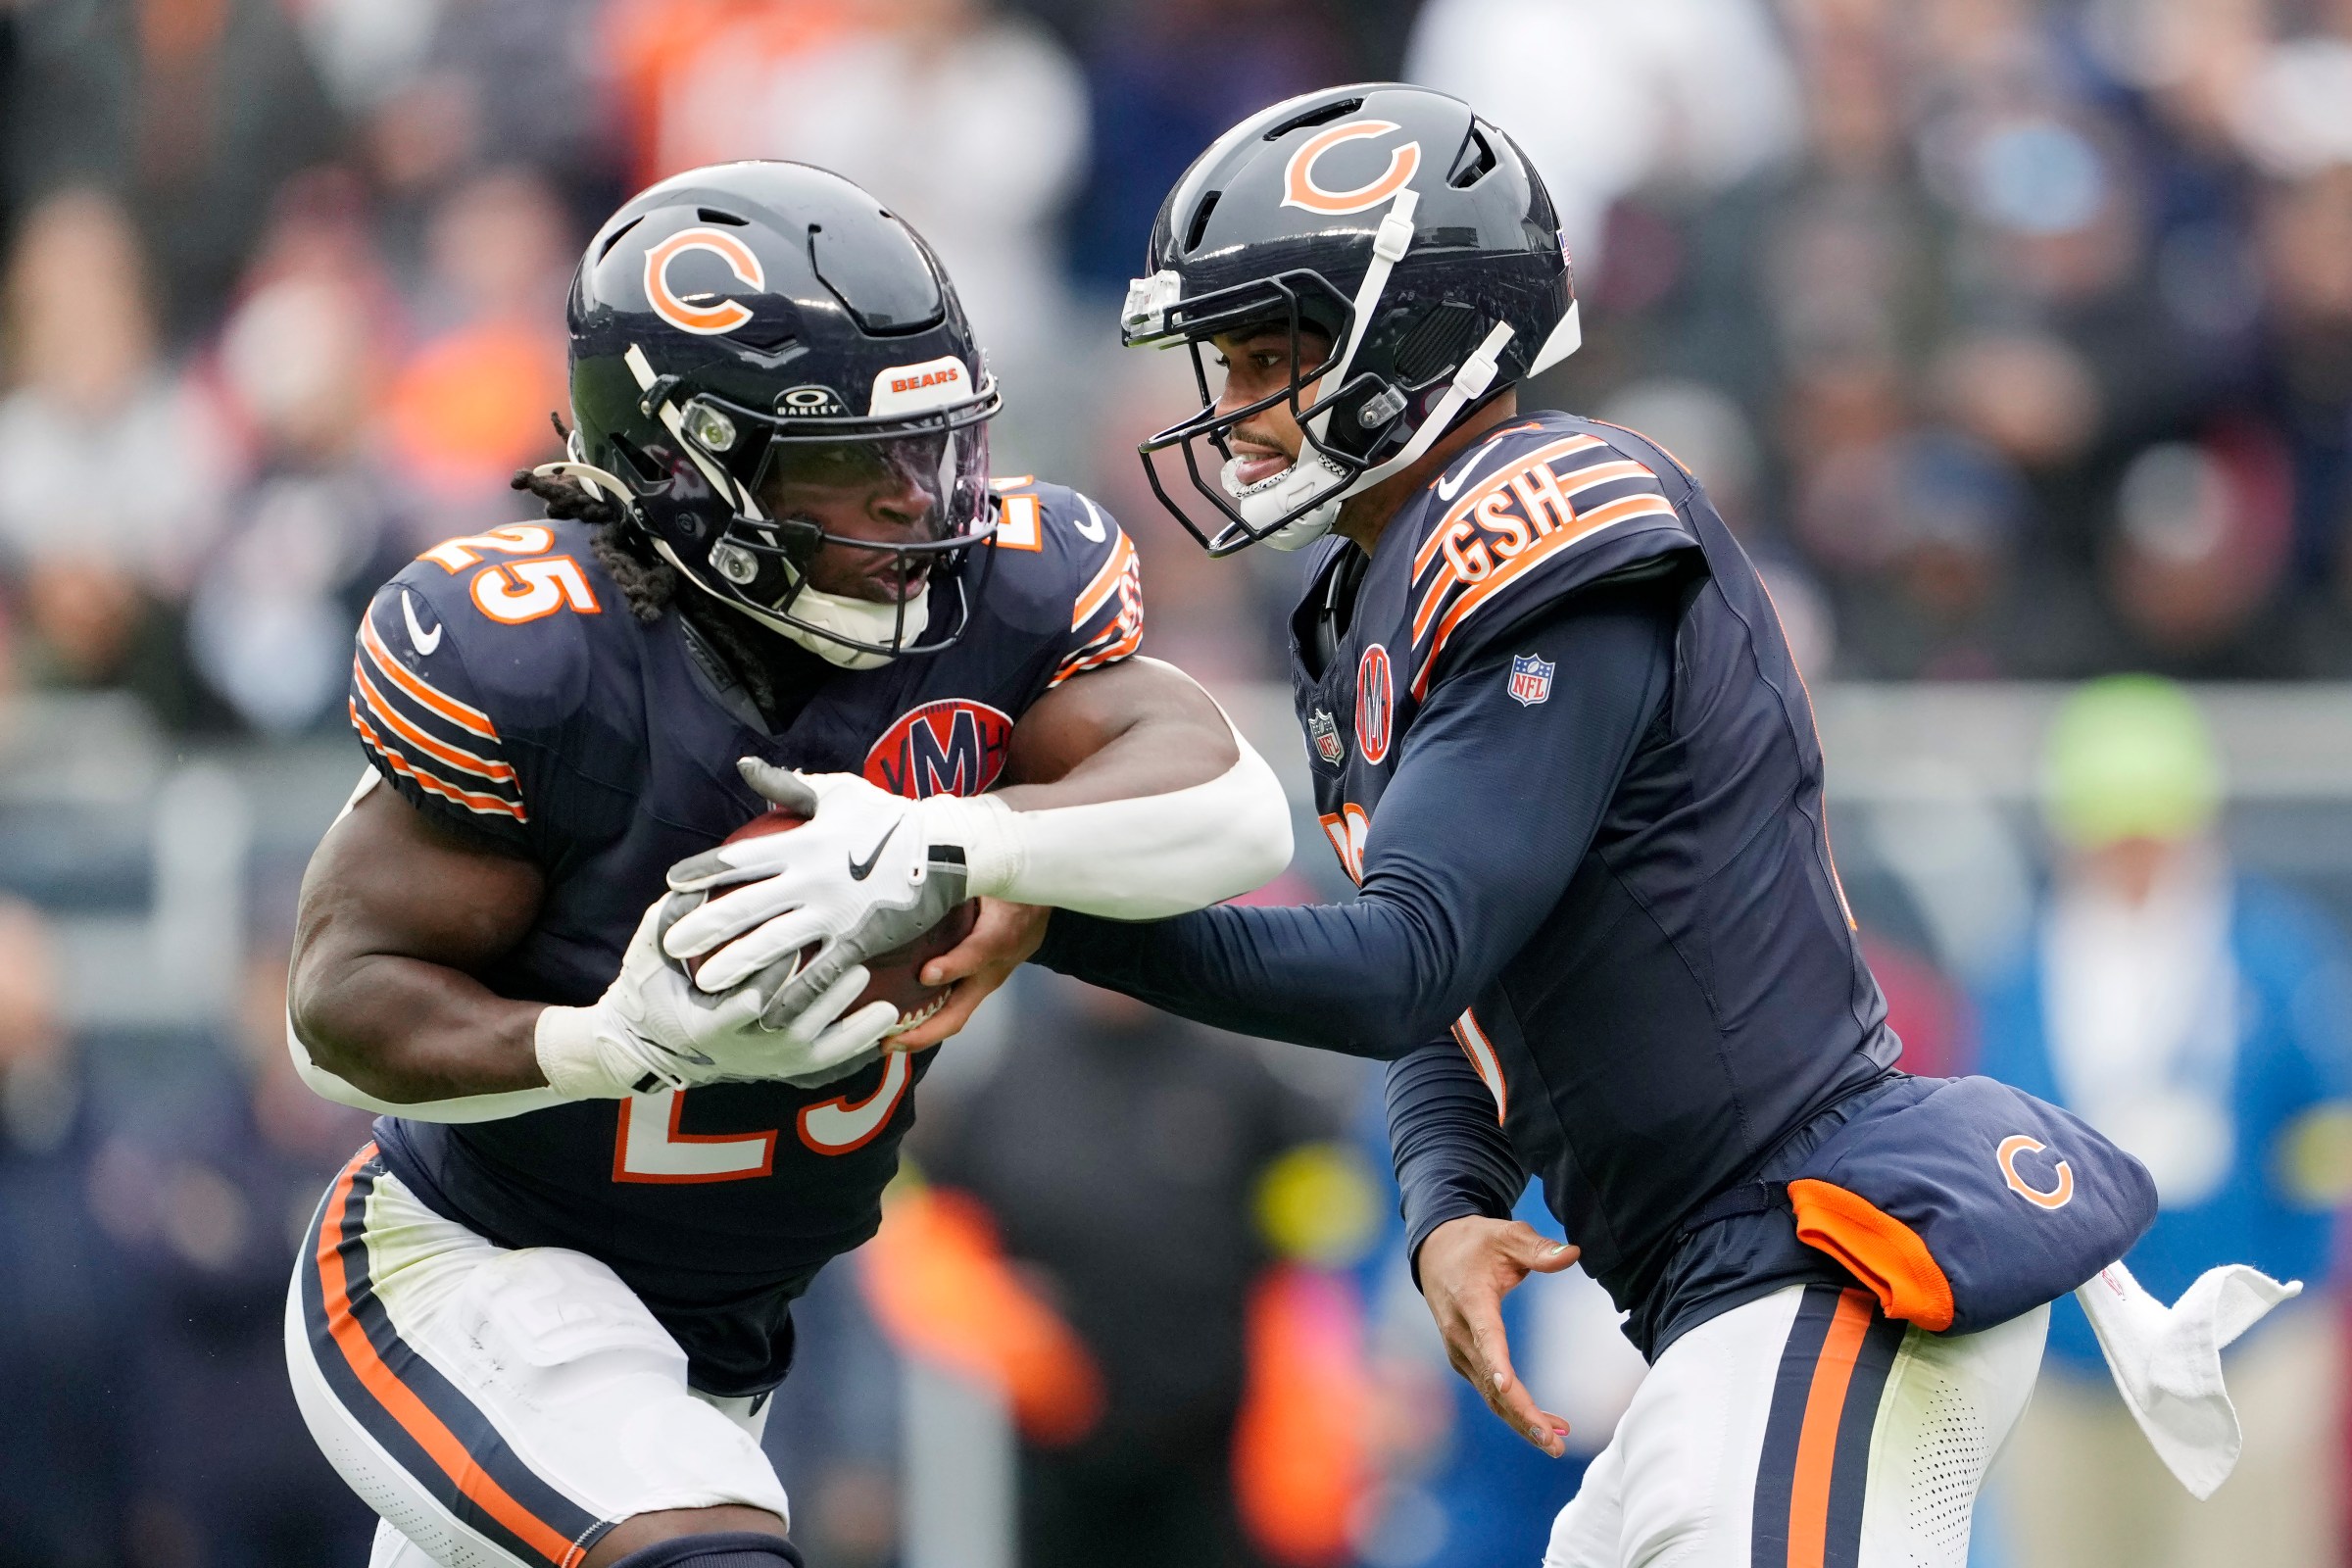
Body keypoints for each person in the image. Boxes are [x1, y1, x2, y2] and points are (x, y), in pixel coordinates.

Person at [883, 83, 2064, 1566]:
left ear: (1410, 341)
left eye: (1270, 353)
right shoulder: (1362, 601)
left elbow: (1404, 959)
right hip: (1712, 1294)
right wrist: (1449, 1202)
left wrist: (1049, 911)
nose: (1233, 406)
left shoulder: (1550, 517)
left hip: (1819, 1256)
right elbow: (1470, 987)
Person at [280, 160, 1293, 1568]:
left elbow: (1240, 810)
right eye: (847, 464)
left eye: (935, 447)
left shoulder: (998, 603)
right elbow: (334, 1014)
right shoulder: (549, 656)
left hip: (721, 1341)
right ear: (679, 467)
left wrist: (956, 835)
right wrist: (608, 1039)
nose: (915, 505)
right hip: (464, 1269)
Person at [1976, 676, 2351, 1568]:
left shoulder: (2274, 959)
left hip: (2246, 1360)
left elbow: (2328, 1124)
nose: (2133, 858)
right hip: (2068, 1364)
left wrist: (2288, 1250)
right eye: (2113, 834)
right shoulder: (2025, 973)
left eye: (2152, 832)